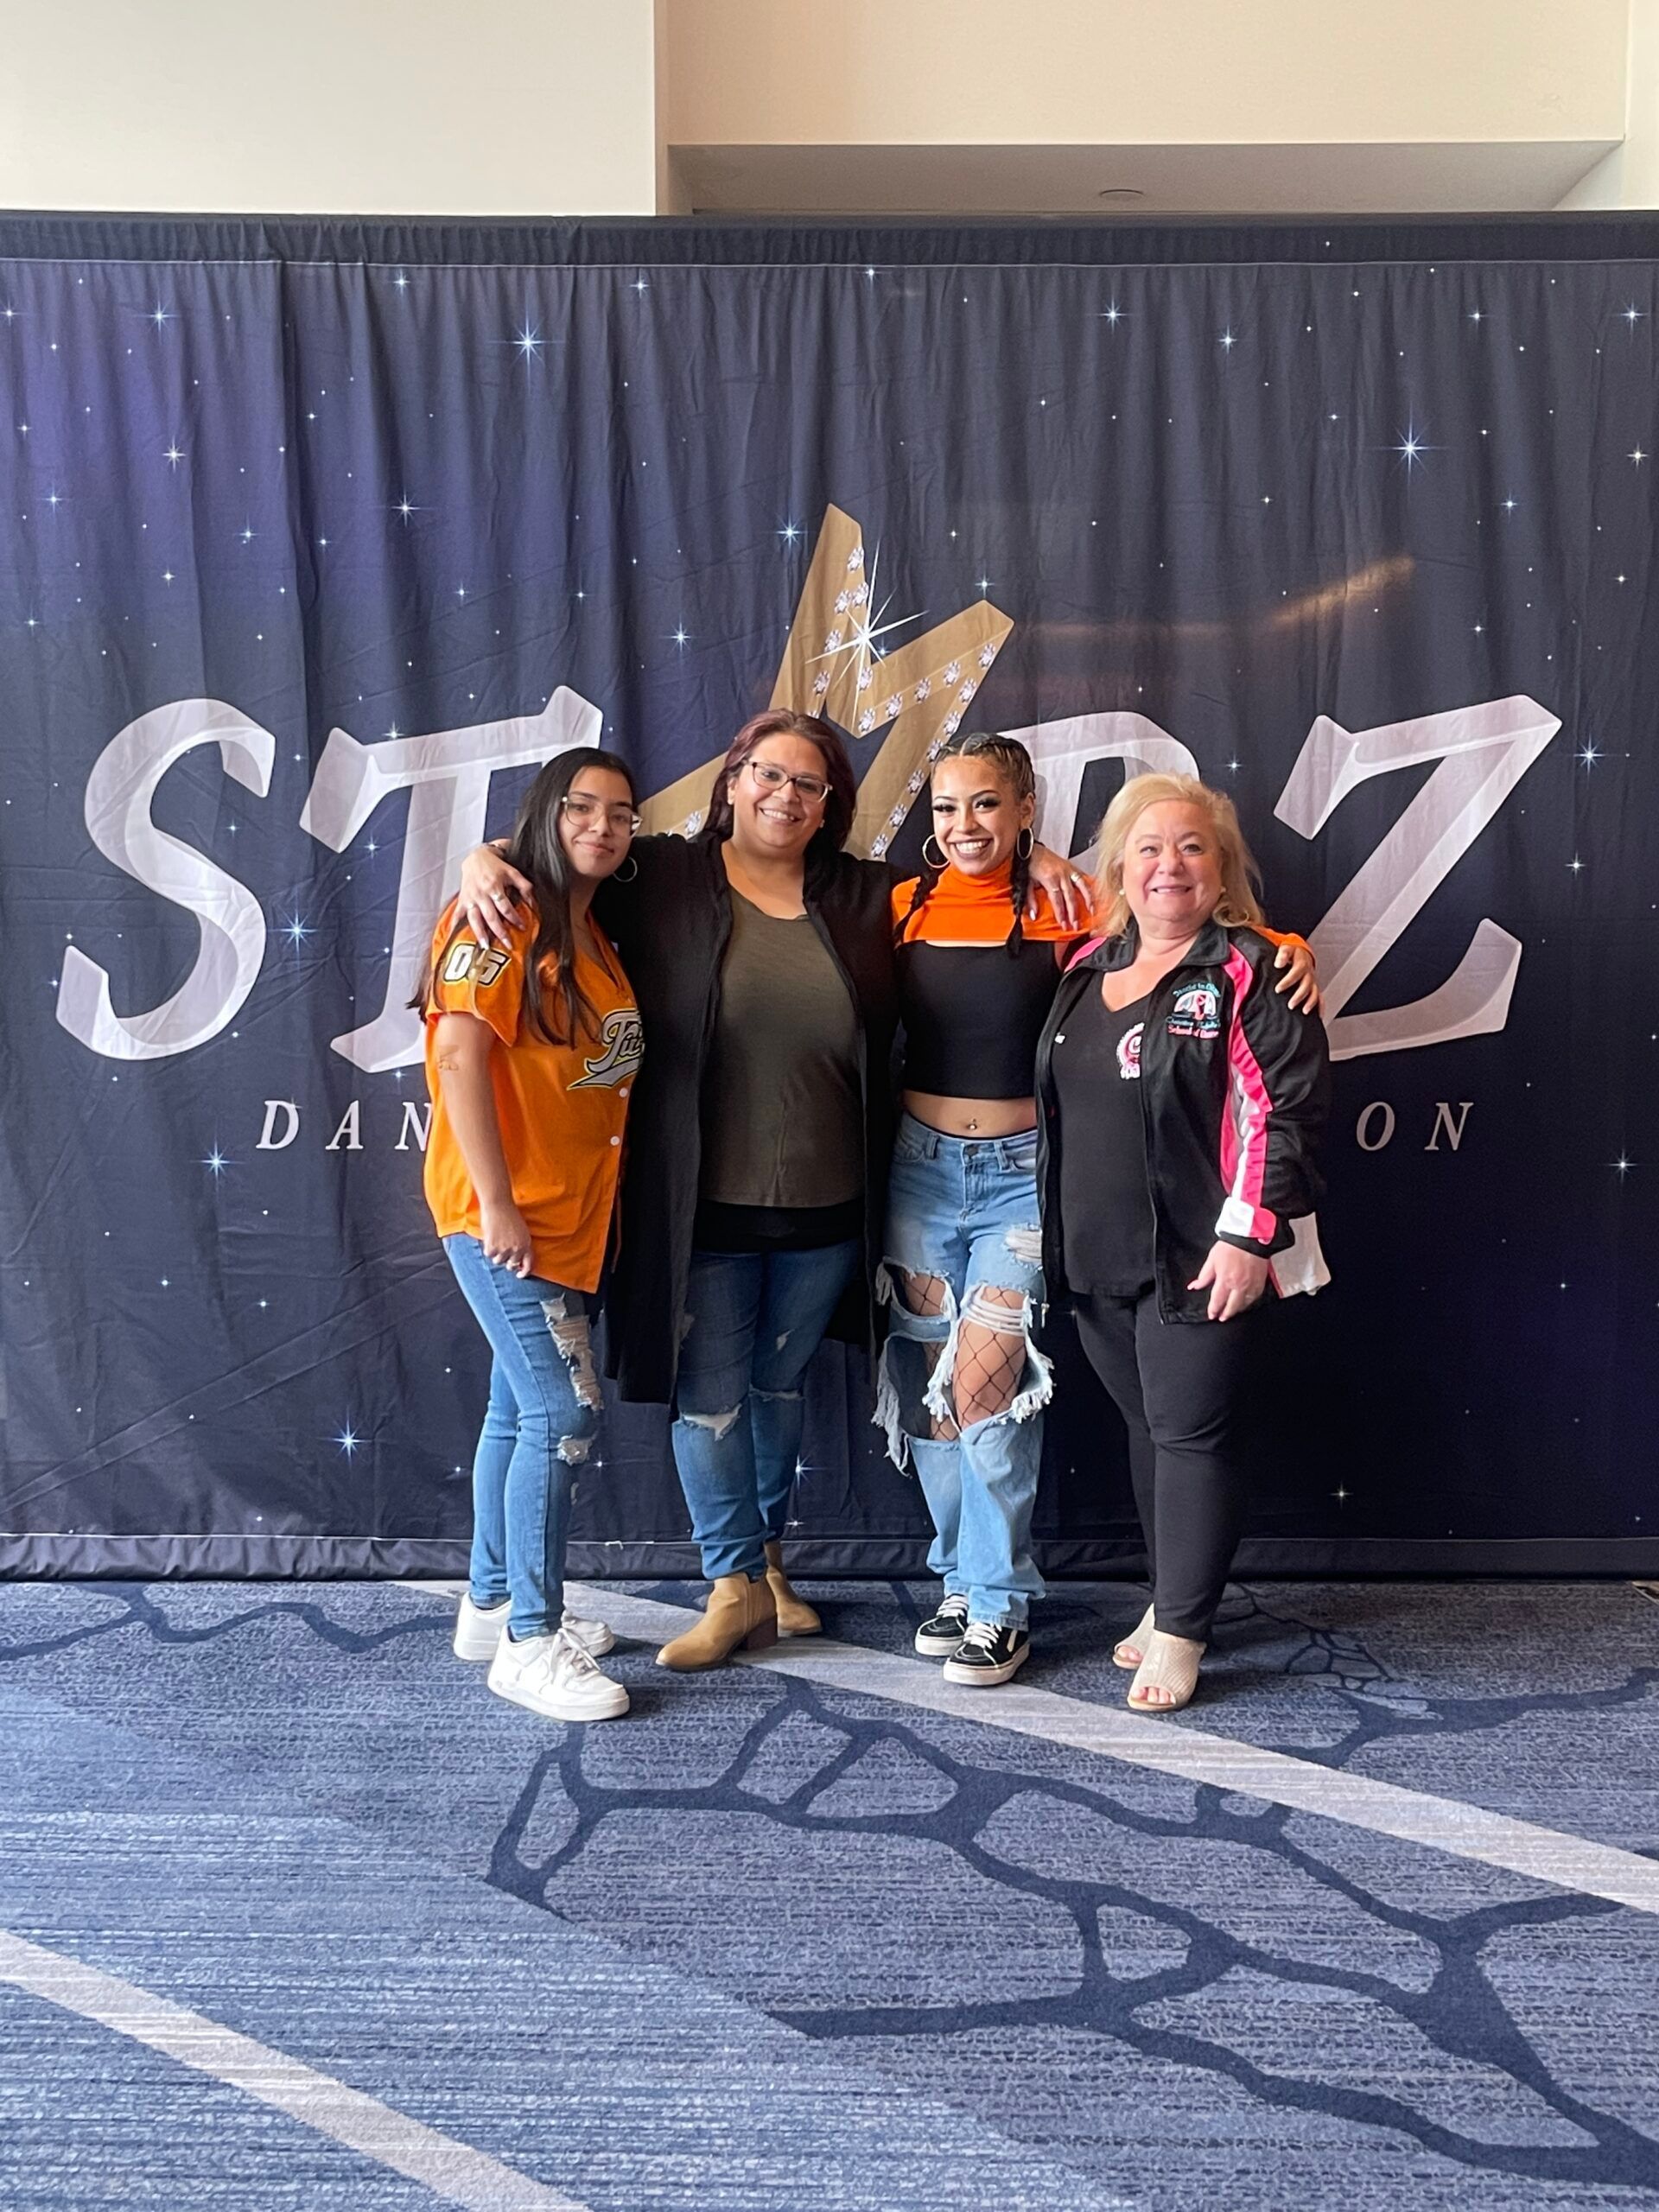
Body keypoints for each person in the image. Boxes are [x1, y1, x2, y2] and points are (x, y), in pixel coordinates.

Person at [457, 711, 1093, 1670]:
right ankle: (729, 1584)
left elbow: (974, 857)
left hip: (835, 1208)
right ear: (733, 778)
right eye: (767, 774)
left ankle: (768, 1568)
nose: (783, 796)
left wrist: (1035, 852)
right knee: (708, 1400)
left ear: (831, 803)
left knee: (777, 1388)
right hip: (701, 1208)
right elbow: (571, 842)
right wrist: (482, 856)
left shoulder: (864, 892)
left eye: (808, 783)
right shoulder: (663, 873)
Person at [885, 734, 1319, 1688]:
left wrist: (1282, 947)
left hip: (1111, 1215)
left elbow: (1273, 1089)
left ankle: (1086, 1616)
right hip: (996, 1207)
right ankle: (1031, 1586)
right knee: (1024, 1410)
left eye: (988, 804)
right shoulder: (1011, 937)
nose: (967, 825)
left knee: (1076, 1406)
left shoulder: (1169, 938)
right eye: (948, 807)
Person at [1035, 771, 1331, 1714]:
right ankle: (1169, 1600)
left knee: (1194, 1436)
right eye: (1151, 847)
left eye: (1194, 847)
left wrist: (1249, 1237)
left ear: (1222, 868)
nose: (1171, 865)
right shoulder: (1083, 966)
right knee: (1148, 1429)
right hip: (1093, 1254)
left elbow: (1283, 1111)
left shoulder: (1253, 966)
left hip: (1200, 1256)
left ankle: (1186, 1631)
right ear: (1118, 865)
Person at [419, 747, 643, 1723]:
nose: (600, 825)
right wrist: (498, 1202)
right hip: (505, 1218)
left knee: (516, 1412)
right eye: (580, 807)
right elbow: (461, 1054)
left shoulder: (590, 931)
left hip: (570, 1215)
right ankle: (531, 1638)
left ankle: (492, 1604)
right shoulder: (499, 915)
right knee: (565, 1412)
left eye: (620, 812)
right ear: (544, 815)